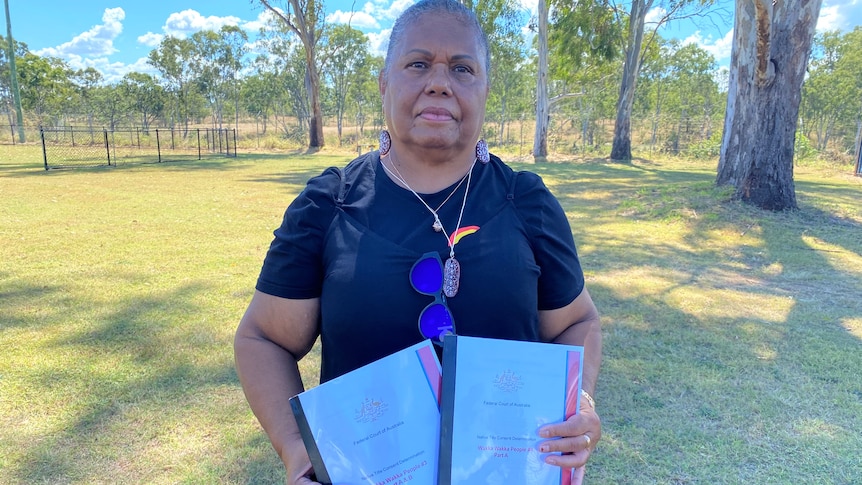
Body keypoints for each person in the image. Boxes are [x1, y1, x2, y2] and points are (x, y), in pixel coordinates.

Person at [234, 0, 603, 483]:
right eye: (418, 63)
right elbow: (261, 337)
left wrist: (582, 404)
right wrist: (296, 448)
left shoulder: (527, 202)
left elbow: (576, 322)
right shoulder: (327, 205)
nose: (439, 81)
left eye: (462, 68)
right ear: (385, 82)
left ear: (485, 90)